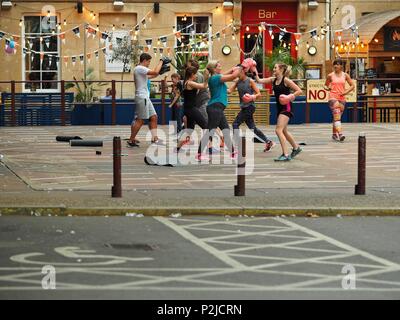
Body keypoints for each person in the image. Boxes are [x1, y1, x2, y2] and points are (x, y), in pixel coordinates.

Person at [254, 62, 303, 161]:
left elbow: (299, 90)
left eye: (275, 68)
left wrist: (290, 96)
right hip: (279, 108)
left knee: (278, 130)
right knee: (284, 131)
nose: (273, 69)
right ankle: (296, 148)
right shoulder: (273, 80)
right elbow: (259, 81)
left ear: (281, 70)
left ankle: (285, 154)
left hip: (287, 108)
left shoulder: (286, 80)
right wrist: (254, 70)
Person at [197, 61, 242, 161]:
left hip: (217, 108)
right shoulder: (216, 78)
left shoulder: (216, 78)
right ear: (214, 69)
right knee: (210, 131)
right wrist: (242, 67)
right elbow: (233, 76)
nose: (221, 66)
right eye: (219, 65)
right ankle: (199, 154)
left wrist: (235, 69)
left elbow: (229, 90)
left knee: (225, 130)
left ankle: (233, 152)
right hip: (215, 108)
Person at [228, 66, 275, 153]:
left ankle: (238, 146)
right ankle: (268, 142)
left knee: (235, 124)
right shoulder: (238, 82)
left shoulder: (250, 81)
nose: (235, 74)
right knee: (252, 128)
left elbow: (259, 94)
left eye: (236, 72)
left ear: (242, 71)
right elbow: (229, 91)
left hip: (249, 107)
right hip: (244, 107)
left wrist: (252, 97)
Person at [127, 53, 165, 147]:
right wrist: (161, 61)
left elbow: (152, 76)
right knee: (140, 120)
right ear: (144, 60)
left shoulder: (140, 70)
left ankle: (154, 138)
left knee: (154, 117)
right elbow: (154, 72)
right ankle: (131, 140)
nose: (149, 63)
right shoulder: (140, 68)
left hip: (145, 98)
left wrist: (160, 71)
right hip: (142, 97)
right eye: (149, 61)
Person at [176, 66, 208, 151]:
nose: (197, 76)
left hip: (188, 109)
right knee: (206, 127)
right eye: (196, 74)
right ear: (192, 74)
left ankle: (177, 148)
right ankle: (200, 152)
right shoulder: (190, 83)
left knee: (189, 131)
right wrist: (207, 77)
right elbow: (204, 86)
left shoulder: (187, 82)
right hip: (191, 109)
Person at [324, 59, 355, 142]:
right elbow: (325, 85)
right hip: (333, 97)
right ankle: (340, 134)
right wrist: (328, 88)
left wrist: (346, 92)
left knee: (337, 117)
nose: (335, 66)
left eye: (337, 64)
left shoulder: (345, 75)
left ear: (341, 66)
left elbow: (352, 85)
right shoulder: (330, 75)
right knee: (337, 115)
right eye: (334, 64)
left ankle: (334, 134)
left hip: (342, 97)